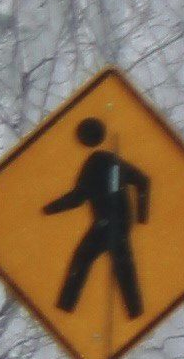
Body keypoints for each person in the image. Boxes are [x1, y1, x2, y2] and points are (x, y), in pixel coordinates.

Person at [45, 114, 149, 335]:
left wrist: (48, 209)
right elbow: (142, 181)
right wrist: (138, 218)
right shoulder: (111, 160)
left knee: (82, 262)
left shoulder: (96, 162)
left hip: (107, 225)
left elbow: (78, 197)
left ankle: (66, 310)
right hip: (116, 225)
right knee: (121, 271)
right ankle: (135, 315)